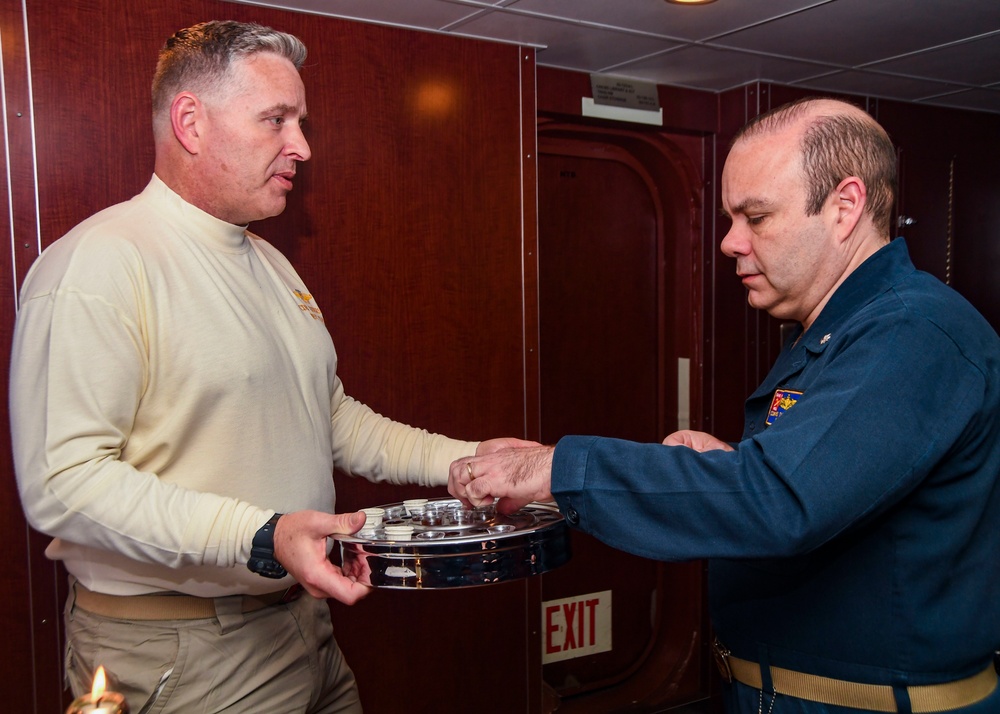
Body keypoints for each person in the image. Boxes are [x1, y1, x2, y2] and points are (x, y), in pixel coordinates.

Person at [10, 20, 531, 714]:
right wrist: (260, 536)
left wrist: (471, 460)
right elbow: (62, 482)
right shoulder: (100, 264)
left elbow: (330, 417)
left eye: (301, 121)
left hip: (301, 624)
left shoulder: (269, 261)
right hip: (183, 653)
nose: (302, 147)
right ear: (190, 121)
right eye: (275, 120)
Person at [450, 97, 1000, 713]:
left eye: (756, 216)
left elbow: (781, 504)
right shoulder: (836, 327)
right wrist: (730, 466)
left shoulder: (910, 333)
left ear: (846, 206)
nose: (729, 242)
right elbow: (819, 480)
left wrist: (557, 467)